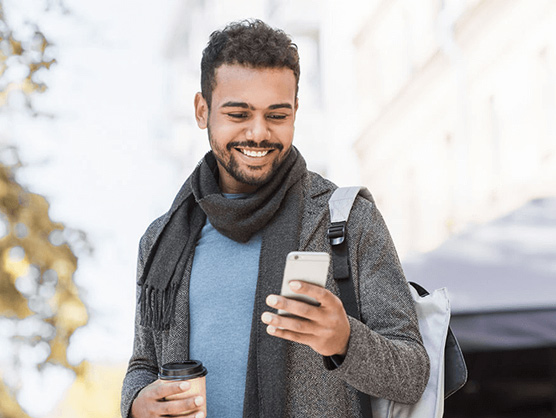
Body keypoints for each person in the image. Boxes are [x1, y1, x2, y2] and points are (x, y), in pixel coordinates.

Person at [121, 19, 429, 418]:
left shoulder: (347, 220)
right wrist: (136, 404)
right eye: (238, 113)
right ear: (202, 111)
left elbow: (412, 372)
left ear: (296, 112)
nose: (259, 133)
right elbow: (142, 364)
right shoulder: (161, 239)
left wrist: (345, 340)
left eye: (277, 115)